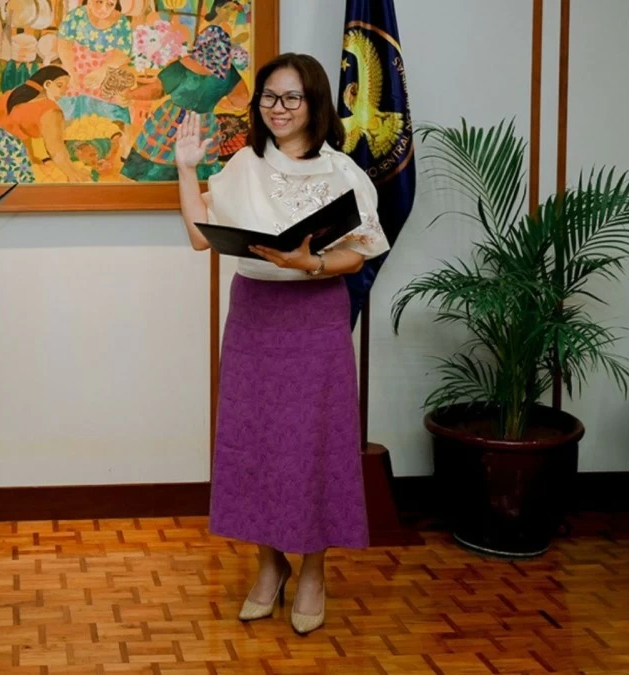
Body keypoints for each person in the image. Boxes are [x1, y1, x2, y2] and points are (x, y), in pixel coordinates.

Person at [173, 53, 390, 636]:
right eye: (269, 97)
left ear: (315, 103)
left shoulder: (342, 172)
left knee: (314, 443)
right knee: (258, 441)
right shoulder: (243, 164)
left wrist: (313, 262)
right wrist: (187, 170)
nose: (279, 108)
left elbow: (362, 250)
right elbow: (199, 238)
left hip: (316, 317)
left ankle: (314, 569)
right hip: (255, 317)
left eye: (292, 97)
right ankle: (268, 566)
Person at [122, 0, 250, 181]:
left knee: (158, 156)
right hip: (204, 123)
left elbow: (155, 91)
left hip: (170, 122)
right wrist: (216, 100)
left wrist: (129, 94)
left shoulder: (181, 67)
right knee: (199, 168)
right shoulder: (228, 72)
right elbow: (241, 101)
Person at [0, 65, 91, 183]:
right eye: (60, 86)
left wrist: (31, 157)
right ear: (47, 84)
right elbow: (56, 151)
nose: (64, 93)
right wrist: (73, 175)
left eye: (66, 88)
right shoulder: (51, 110)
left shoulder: (11, 95)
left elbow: (17, 130)